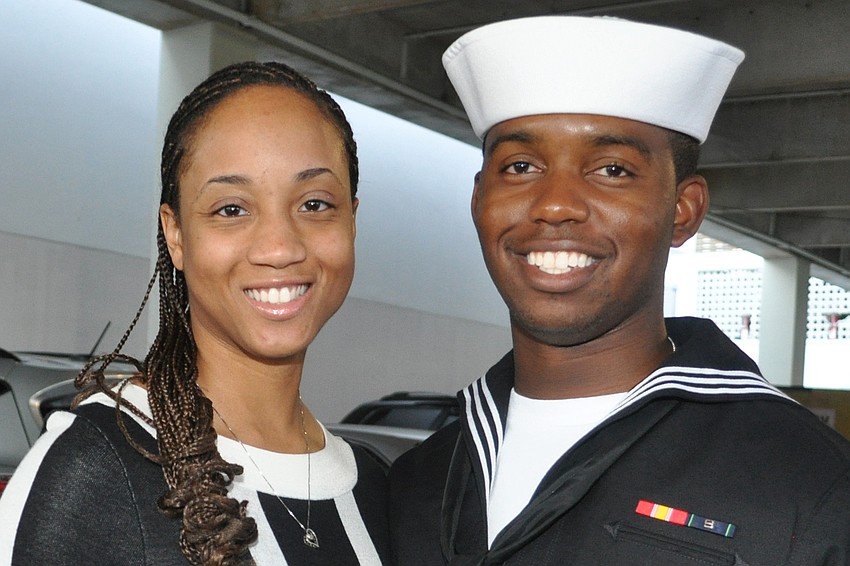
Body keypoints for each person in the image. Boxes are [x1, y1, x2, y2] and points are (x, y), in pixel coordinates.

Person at [388, 15, 850, 565]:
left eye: (611, 169)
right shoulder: (420, 479)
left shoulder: (809, 485)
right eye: (520, 165)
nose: (555, 203)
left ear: (683, 211)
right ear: (478, 202)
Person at [0, 61, 389, 565]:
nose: (279, 246)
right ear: (176, 234)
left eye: (314, 204)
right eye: (232, 209)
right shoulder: (96, 469)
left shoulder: (378, 488)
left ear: (352, 220)